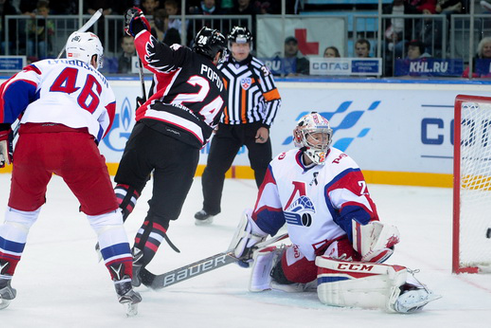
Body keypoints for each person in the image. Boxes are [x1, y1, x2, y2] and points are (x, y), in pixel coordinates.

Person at [229, 112, 441, 313]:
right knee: (286, 275)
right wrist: (250, 240)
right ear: (300, 138)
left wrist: (367, 241)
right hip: (305, 247)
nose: (322, 142)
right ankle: (290, 263)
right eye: (315, 136)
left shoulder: (341, 166)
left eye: (325, 136)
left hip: (336, 241)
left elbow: (357, 211)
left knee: (331, 284)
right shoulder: (280, 165)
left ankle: (405, 283)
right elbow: (269, 210)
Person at [0, 32, 141, 314]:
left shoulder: (45, 66)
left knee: (20, 214)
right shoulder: (105, 85)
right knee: (106, 218)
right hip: (77, 142)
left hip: (32, 139)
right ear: (92, 58)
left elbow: (11, 90)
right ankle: (123, 282)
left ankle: (2, 277)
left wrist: (4, 129)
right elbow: (100, 129)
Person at [115, 7, 228, 286]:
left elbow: (152, 53)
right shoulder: (222, 86)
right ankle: (136, 264)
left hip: (152, 129)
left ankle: (109, 235)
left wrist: (140, 28)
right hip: (186, 147)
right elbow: (210, 128)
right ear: (216, 54)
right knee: (161, 213)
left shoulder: (185, 53)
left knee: (128, 185)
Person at [195, 26, 282, 225]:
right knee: (213, 170)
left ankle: (271, 210)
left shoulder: (259, 69)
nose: (240, 48)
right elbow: (209, 94)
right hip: (226, 128)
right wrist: (212, 119)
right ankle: (209, 209)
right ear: (230, 46)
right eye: (236, 44)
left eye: (244, 45)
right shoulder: (220, 65)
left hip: (254, 127)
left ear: (249, 46)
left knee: (263, 170)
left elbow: (274, 99)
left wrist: (265, 126)